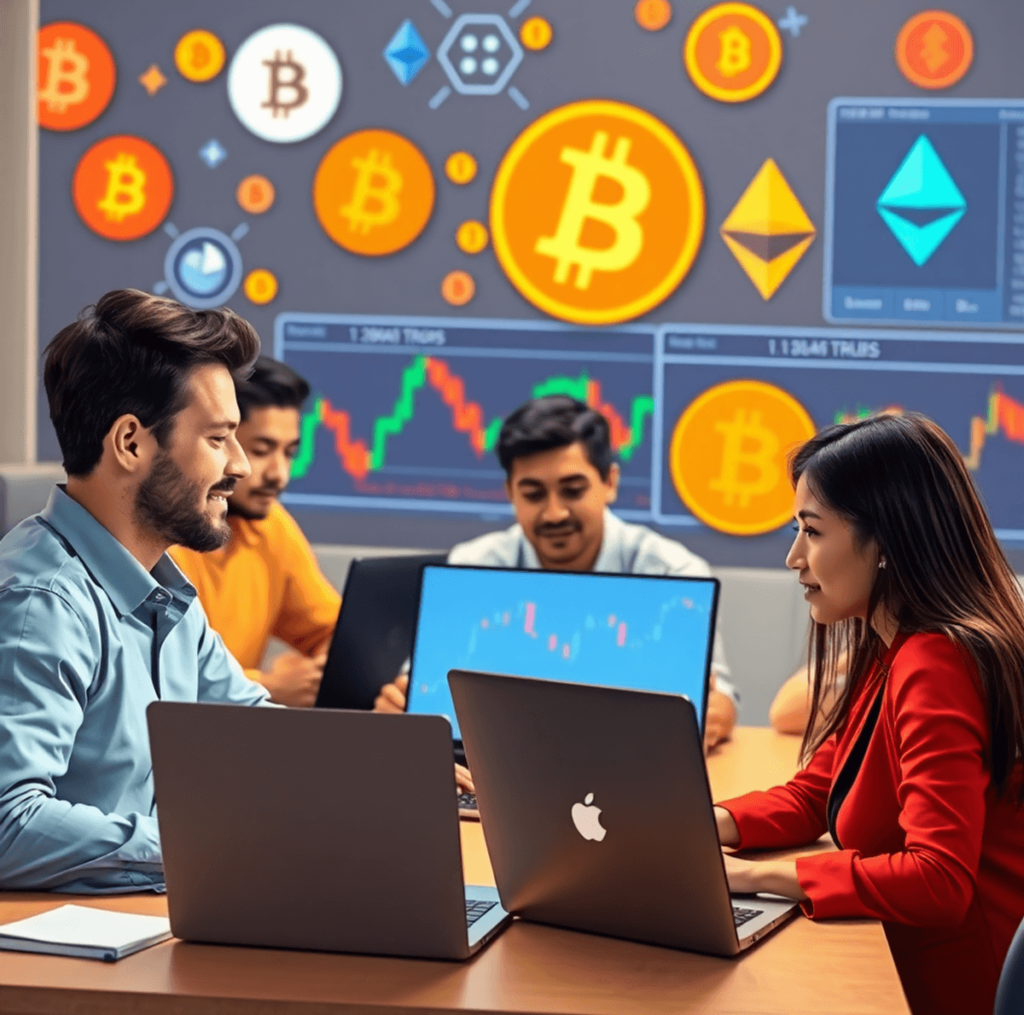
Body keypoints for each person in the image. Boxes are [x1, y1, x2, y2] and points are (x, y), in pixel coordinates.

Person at [713, 413, 1024, 1015]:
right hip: (907, 962)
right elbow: (816, 793)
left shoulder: (938, 661)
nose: (793, 557)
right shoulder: (896, 646)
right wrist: (696, 827)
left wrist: (754, 879)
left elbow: (938, 879)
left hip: (959, 986)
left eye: (812, 531)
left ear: (885, 542)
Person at [0, 289, 271, 893]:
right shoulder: (41, 603)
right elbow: (7, 823)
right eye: (218, 438)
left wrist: (388, 774)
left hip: (147, 927)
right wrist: (198, 843)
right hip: (63, 967)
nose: (241, 466)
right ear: (130, 443)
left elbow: (261, 737)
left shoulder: (163, 598)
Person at [377, 395, 739, 748]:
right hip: (494, 773)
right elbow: (418, 690)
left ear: (609, 482)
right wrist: (402, 705)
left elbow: (718, 701)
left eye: (572, 491)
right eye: (533, 494)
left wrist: (714, 714)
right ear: (510, 493)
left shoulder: (673, 573)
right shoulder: (471, 566)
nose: (554, 514)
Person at [170, 357, 340, 707]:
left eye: (289, 453)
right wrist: (268, 686)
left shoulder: (271, 525)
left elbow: (332, 629)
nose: (279, 474)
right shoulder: (158, 539)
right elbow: (162, 673)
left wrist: (325, 668)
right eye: (261, 450)